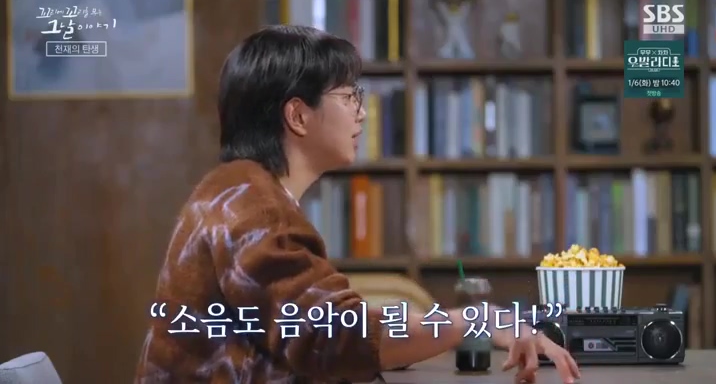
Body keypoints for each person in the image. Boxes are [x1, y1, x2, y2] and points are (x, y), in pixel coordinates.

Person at [135, 25, 581, 384]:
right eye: (349, 97)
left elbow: (325, 324)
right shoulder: (253, 209)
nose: (361, 113)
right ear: (297, 115)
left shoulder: (240, 190)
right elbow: (339, 337)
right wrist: (475, 319)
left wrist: (447, 323)